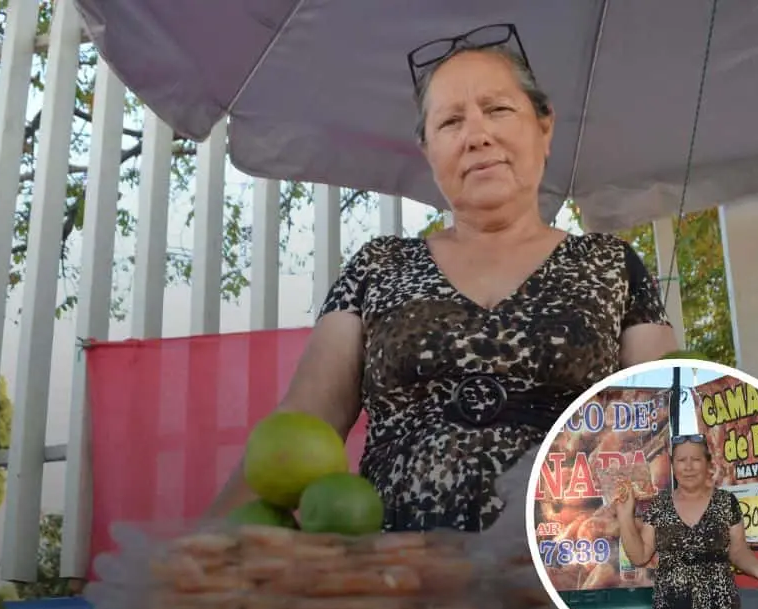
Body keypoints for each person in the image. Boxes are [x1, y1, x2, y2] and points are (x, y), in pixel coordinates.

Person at [207, 23, 678, 530]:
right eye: (451, 122)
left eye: (498, 109)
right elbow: (304, 421)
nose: (477, 135)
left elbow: (666, 423)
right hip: (398, 580)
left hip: (575, 576)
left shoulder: (610, 264)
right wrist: (208, 543)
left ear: (544, 128)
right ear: (428, 150)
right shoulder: (377, 265)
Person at [616, 434, 758, 609]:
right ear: (673, 465)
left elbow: (738, 551)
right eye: (681, 460)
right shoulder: (659, 505)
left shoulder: (726, 502)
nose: (688, 467)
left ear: (708, 464)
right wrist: (625, 515)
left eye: (695, 459)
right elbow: (639, 556)